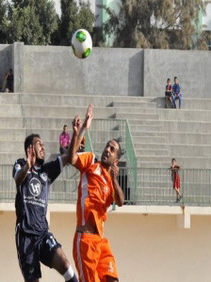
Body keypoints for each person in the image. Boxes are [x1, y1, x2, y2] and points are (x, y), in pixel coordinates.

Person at [12, 121, 80, 282]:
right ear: (30, 148)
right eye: (38, 144)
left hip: (42, 234)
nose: (43, 147)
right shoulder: (21, 164)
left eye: (43, 144)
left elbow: (70, 157)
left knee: (64, 263)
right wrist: (27, 167)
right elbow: (17, 179)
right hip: (25, 236)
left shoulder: (47, 171)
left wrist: (77, 132)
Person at [68, 104, 124, 282]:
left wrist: (115, 180)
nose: (107, 150)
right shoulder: (91, 162)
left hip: (100, 241)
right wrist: (81, 130)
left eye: (112, 149)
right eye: (107, 146)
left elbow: (121, 201)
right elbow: (72, 158)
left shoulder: (110, 182)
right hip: (85, 240)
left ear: (117, 159)